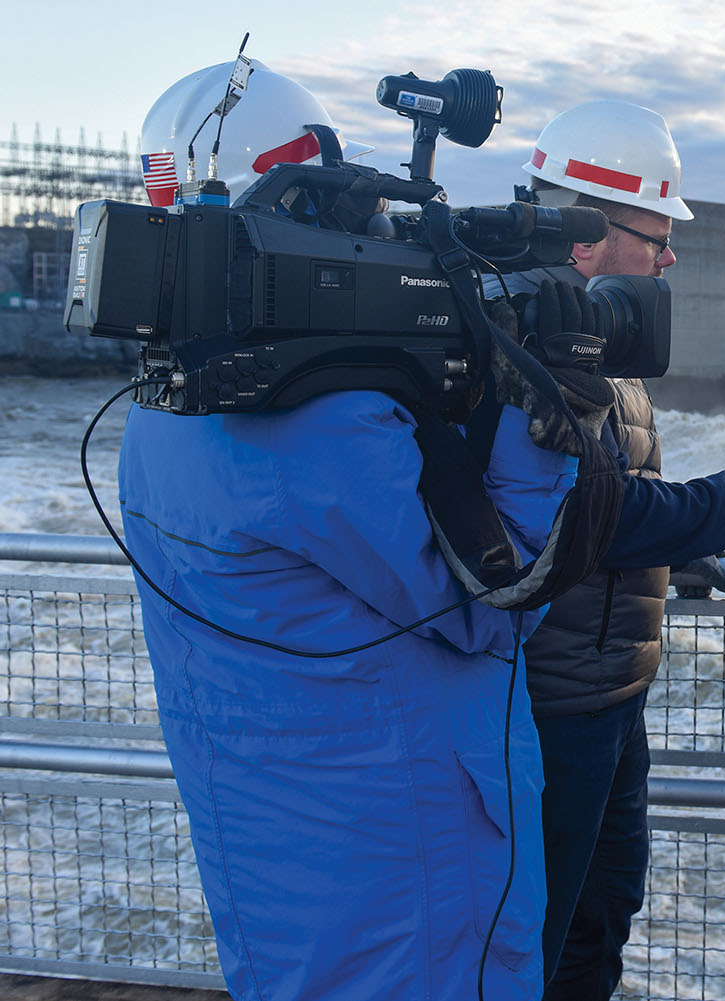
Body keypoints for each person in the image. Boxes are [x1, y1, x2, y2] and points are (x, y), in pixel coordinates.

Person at [123, 61, 586, 1001]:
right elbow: (490, 608)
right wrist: (539, 413)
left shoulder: (157, 410)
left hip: (277, 869)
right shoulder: (323, 423)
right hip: (411, 877)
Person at [477, 100, 725, 1000]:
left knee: (605, 908)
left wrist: (685, 549)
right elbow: (589, 517)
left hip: (615, 693)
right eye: (656, 236)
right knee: (535, 938)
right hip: (547, 706)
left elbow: (619, 506)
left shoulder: (604, 346)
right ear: (586, 231)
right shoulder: (518, 348)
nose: (668, 258)